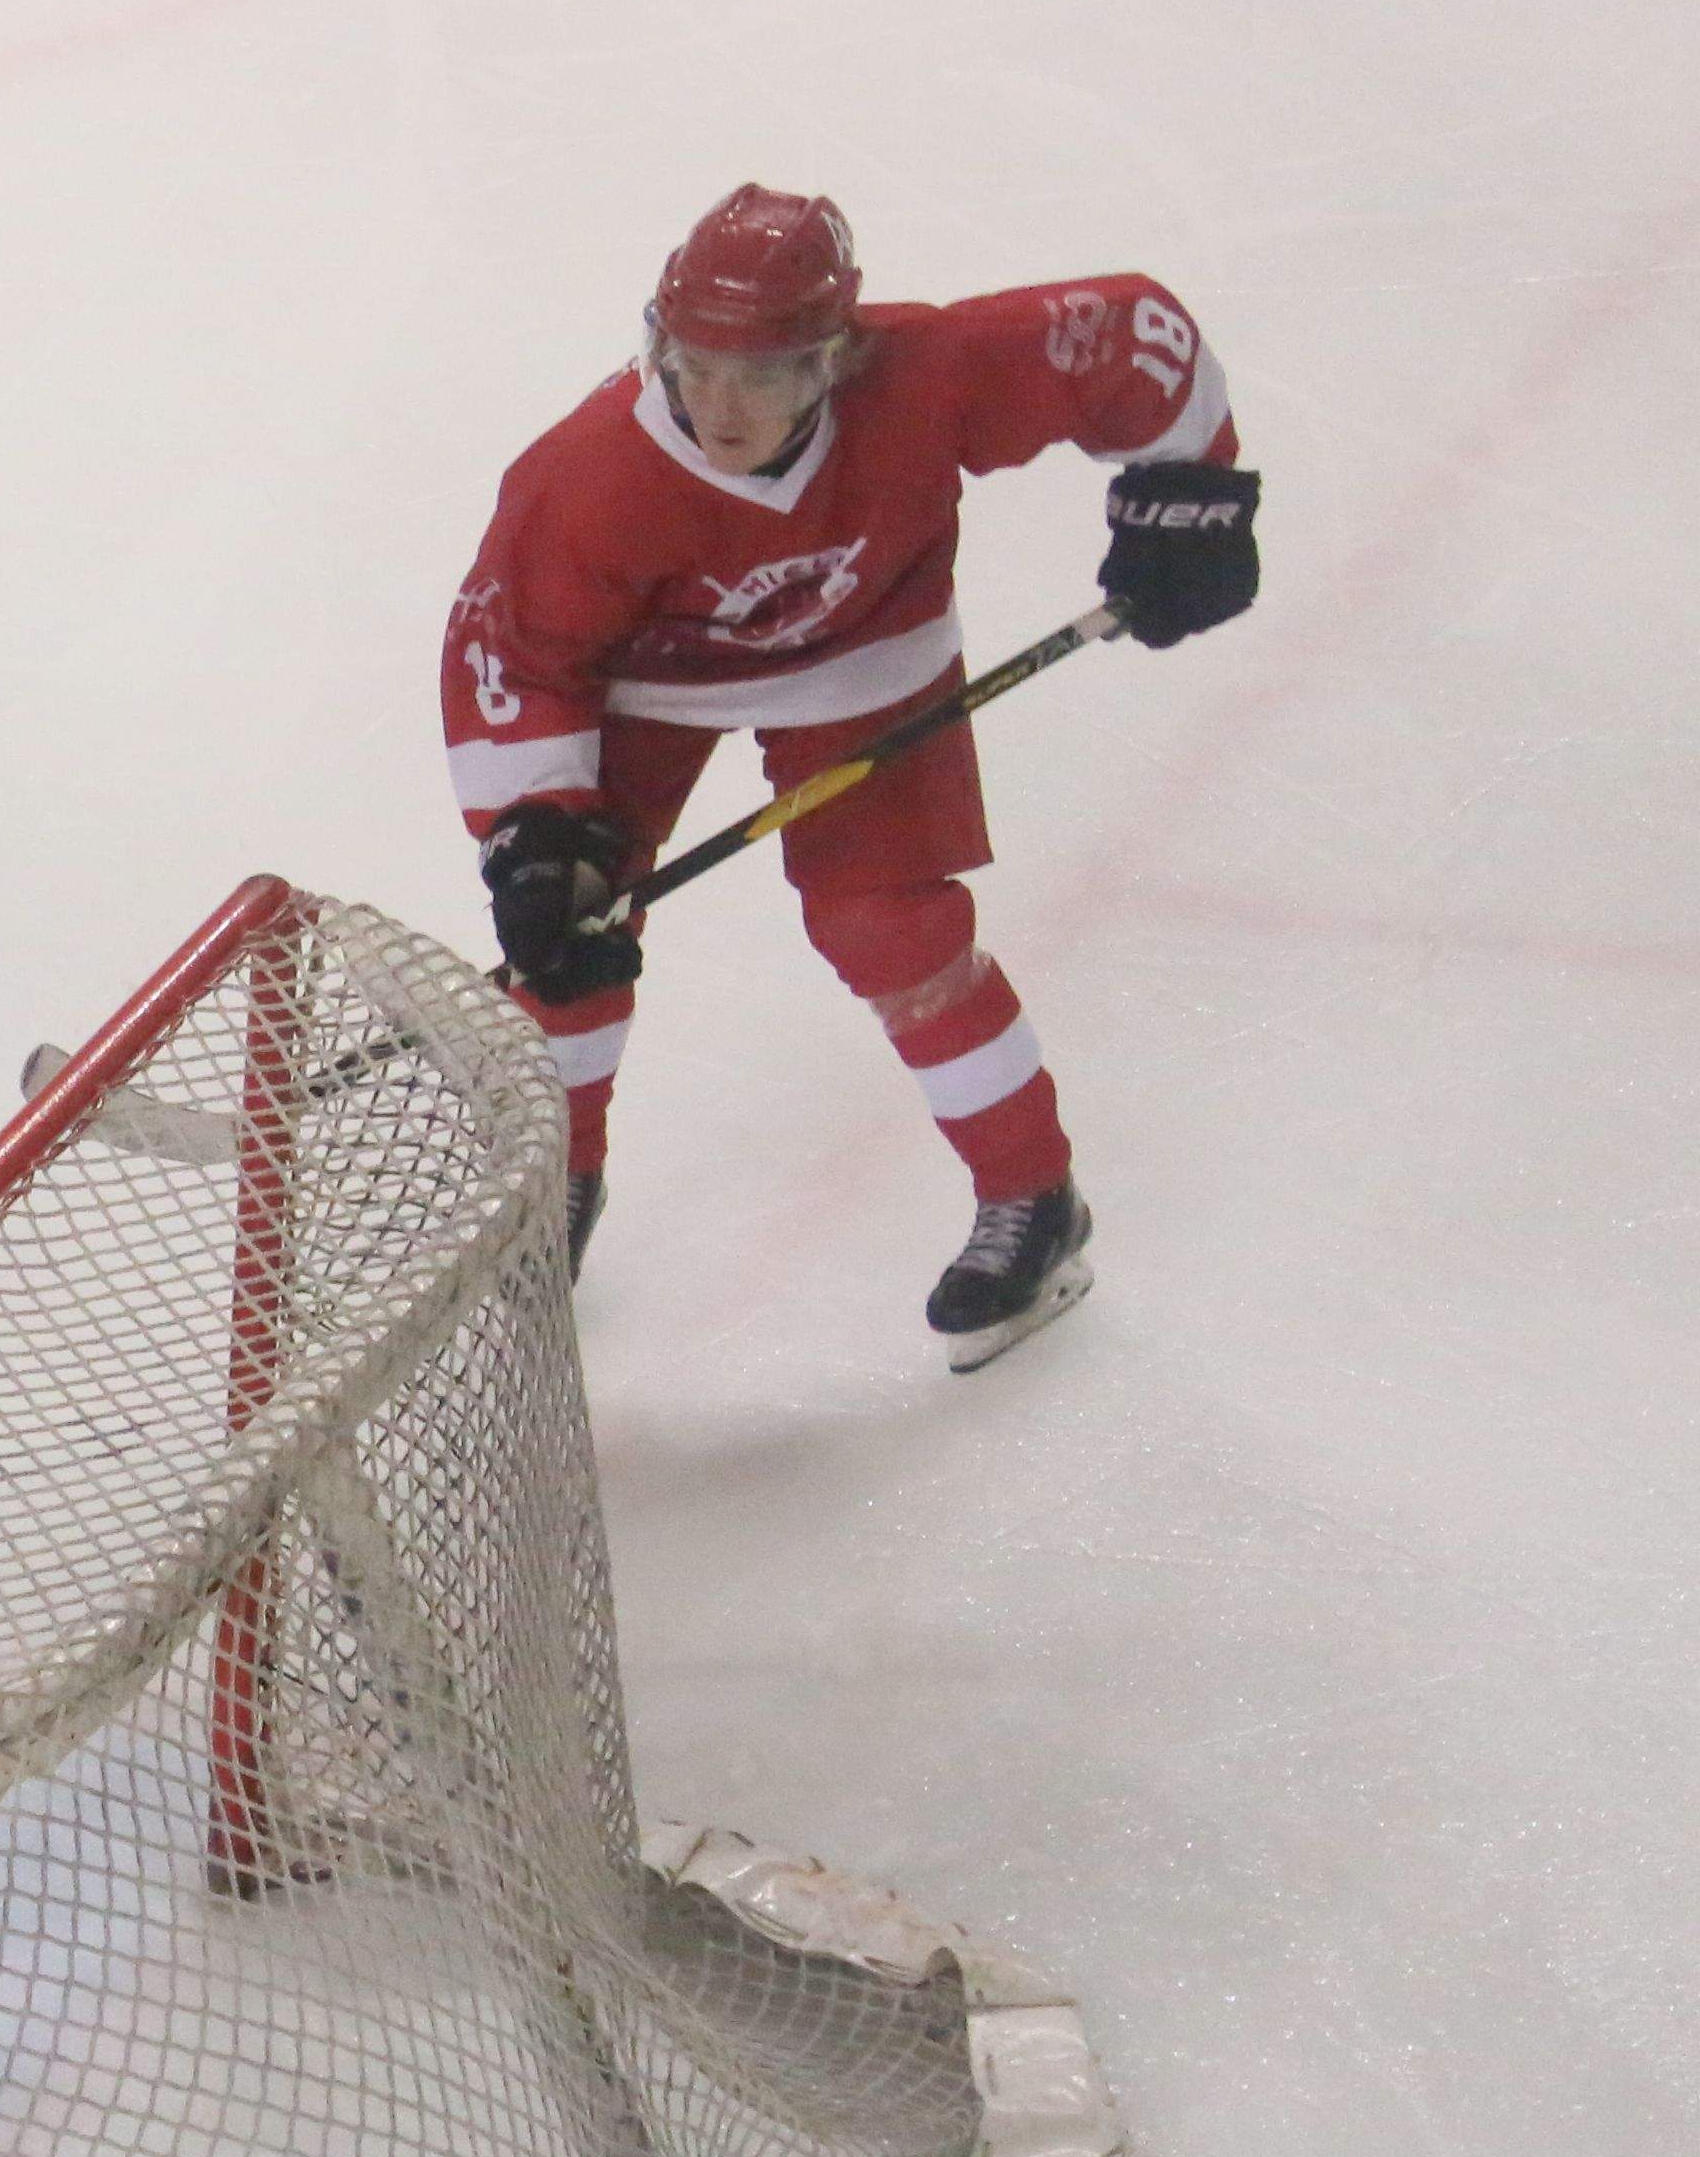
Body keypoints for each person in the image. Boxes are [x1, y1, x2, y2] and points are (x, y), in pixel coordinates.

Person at [441, 185, 1259, 1364]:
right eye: (695, 365)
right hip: (643, 682)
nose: (721, 406)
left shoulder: (927, 375)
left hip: (867, 651)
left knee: (891, 927)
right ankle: (556, 1193)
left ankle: (1035, 1197)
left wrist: (1193, 495)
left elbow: (1135, 340)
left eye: (763, 376)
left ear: (835, 357)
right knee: (571, 937)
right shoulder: (588, 481)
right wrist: (535, 833)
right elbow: (511, 658)